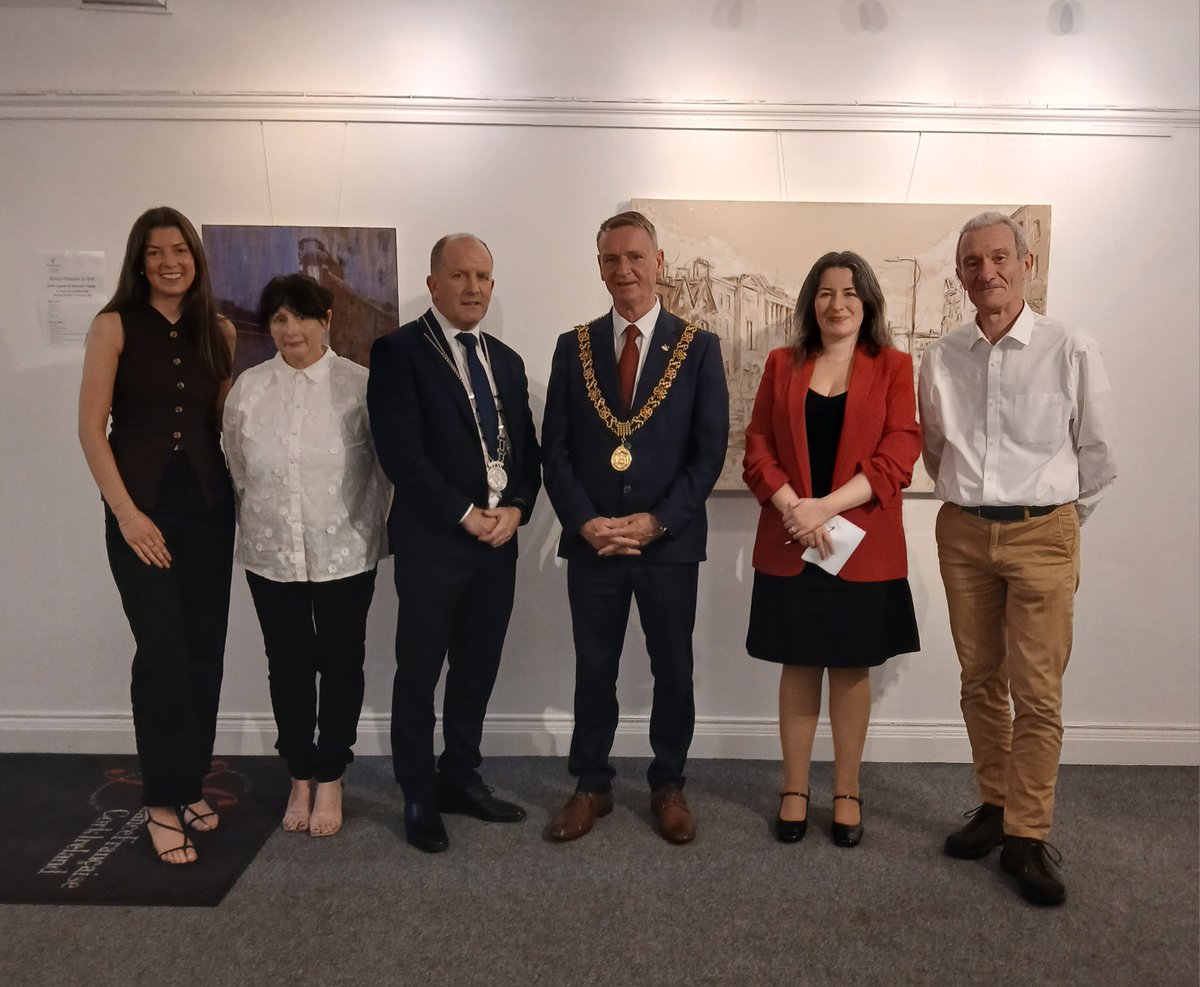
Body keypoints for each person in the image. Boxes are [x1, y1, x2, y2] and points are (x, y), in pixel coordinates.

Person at [918, 211, 1117, 906]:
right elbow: (936, 447)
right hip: (964, 535)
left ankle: (1028, 836)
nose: (987, 272)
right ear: (961, 275)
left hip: (1043, 535)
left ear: (1026, 265)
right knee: (979, 678)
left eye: (1000, 257)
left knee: (1037, 692)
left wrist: (1055, 519)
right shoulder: (942, 355)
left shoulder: (1070, 347)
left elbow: (1097, 454)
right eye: (973, 262)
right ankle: (995, 805)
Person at [541, 210, 729, 845]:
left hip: (667, 546)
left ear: (660, 263)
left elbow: (709, 454)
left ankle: (668, 783)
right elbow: (555, 452)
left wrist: (657, 522)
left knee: (672, 667)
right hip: (593, 543)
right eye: (611, 259)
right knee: (594, 667)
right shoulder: (574, 346)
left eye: (635, 257)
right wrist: (586, 521)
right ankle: (591, 784)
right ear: (599, 267)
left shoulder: (698, 348)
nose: (624, 269)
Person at [367, 234, 541, 853]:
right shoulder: (398, 352)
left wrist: (517, 508)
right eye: (461, 276)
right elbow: (400, 454)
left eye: (484, 277)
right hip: (434, 542)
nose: (474, 288)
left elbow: (526, 453)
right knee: (418, 670)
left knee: (477, 666)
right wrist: (466, 513)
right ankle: (418, 790)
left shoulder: (509, 361)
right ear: (433, 283)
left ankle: (461, 775)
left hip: (498, 544)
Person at [742, 251, 921, 848]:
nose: (836, 303)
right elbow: (759, 447)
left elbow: (900, 451)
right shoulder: (780, 364)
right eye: (824, 292)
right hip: (792, 540)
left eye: (848, 292)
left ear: (866, 302)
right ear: (809, 302)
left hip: (860, 544)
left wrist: (827, 507)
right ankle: (795, 789)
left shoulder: (894, 366)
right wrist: (797, 507)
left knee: (849, 666)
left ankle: (847, 789)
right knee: (799, 663)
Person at [78, 206, 236, 865]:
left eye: (180, 249)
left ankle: (193, 779)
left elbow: (228, 419)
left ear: (195, 258)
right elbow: (91, 430)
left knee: (204, 650)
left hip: (207, 508)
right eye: (154, 250)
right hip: (140, 512)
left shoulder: (220, 328)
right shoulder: (112, 325)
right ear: (138, 260)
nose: (170, 260)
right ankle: (162, 799)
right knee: (162, 653)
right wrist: (127, 513)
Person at [223, 274, 390, 838]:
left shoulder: (360, 386)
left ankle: (332, 775)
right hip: (272, 554)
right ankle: (299, 772)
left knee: (342, 662)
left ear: (326, 319)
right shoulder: (247, 388)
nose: (290, 329)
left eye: (301, 316)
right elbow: (238, 470)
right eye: (277, 319)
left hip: (345, 550)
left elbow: (385, 469)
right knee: (288, 664)